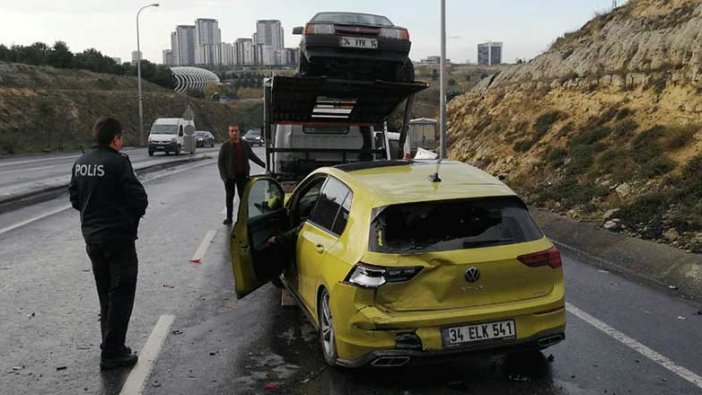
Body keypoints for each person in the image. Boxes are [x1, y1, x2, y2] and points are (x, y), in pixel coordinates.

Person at [68, 117, 148, 370]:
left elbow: (74, 198)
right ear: (115, 138)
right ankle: (113, 352)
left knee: (106, 293)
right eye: (121, 137)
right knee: (122, 292)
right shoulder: (118, 163)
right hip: (118, 239)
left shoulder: (81, 162)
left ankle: (111, 344)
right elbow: (139, 198)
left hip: (92, 238)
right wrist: (128, 217)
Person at [218, 123, 266, 225]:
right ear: (229, 133)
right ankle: (229, 218)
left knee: (243, 198)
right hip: (229, 176)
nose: (234, 133)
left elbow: (252, 156)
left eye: (236, 131)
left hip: (242, 175)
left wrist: (264, 165)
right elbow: (220, 162)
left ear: (239, 132)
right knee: (230, 197)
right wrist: (224, 176)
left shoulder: (244, 144)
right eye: (232, 131)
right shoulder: (225, 146)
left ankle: (242, 218)